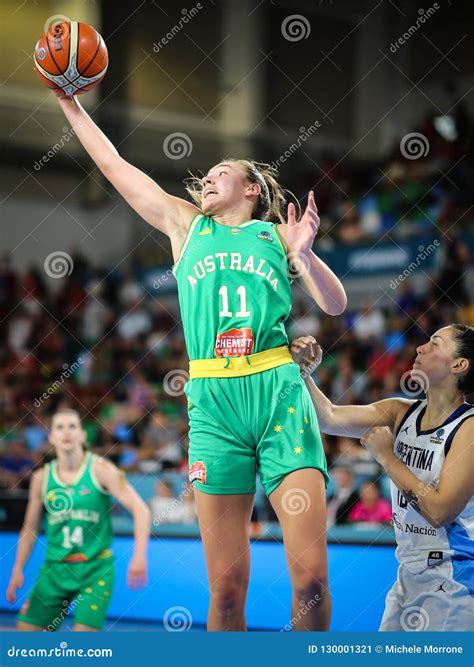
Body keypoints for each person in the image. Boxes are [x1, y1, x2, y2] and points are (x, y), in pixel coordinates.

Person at [54, 91, 347, 631]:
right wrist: (71, 106)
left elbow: (334, 304)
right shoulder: (186, 226)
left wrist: (303, 256)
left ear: (252, 188)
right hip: (213, 407)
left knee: (310, 581)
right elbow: (115, 166)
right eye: (205, 175)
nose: (206, 180)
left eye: (220, 173)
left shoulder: (276, 233)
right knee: (227, 592)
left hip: (279, 394)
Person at [291, 326, 474, 631]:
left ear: (458, 365)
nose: (420, 349)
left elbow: (440, 512)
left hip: (454, 580)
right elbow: (330, 417)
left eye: (434, 343)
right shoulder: (400, 412)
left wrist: (388, 458)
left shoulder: (468, 428)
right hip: (407, 574)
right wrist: (303, 372)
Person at [5, 409, 151, 631]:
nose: (66, 432)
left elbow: (141, 510)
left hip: (94, 568)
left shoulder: (102, 469)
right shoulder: (41, 478)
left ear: (82, 435)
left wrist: (140, 555)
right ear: (51, 437)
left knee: (83, 645)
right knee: (24, 640)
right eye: (60, 427)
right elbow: (30, 528)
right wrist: (18, 568)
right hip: (55, 569)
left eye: (72, 426)